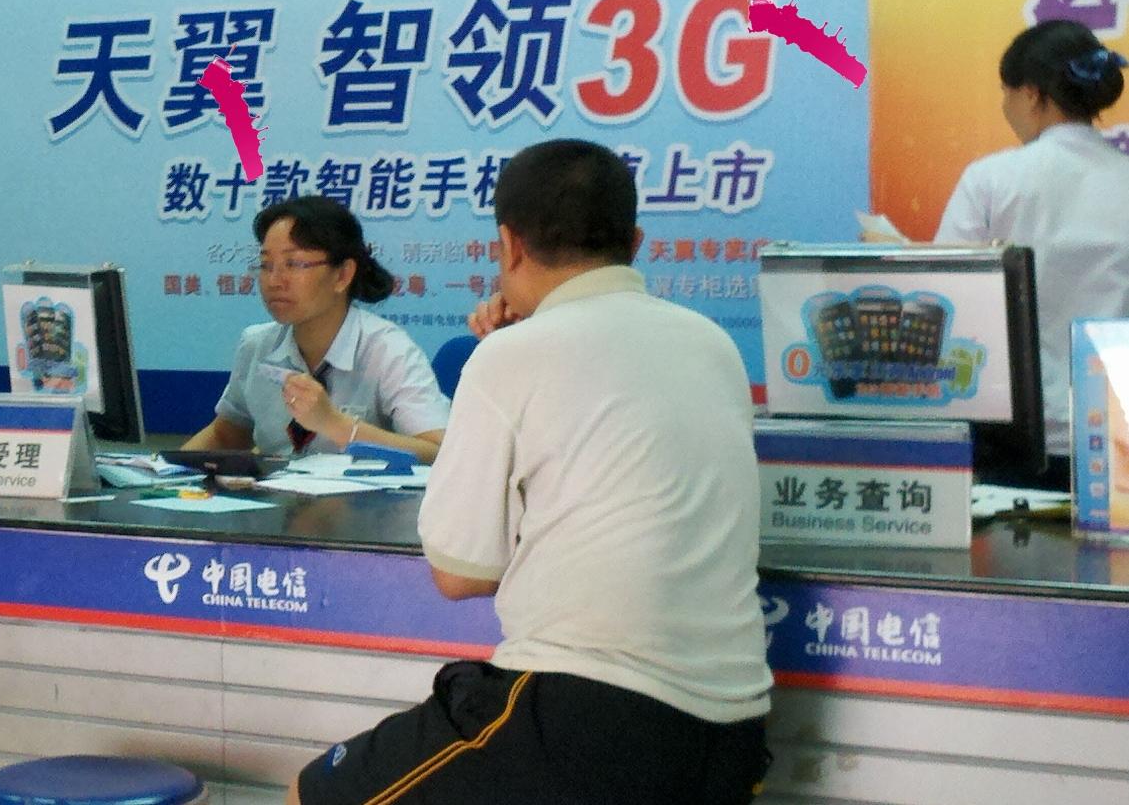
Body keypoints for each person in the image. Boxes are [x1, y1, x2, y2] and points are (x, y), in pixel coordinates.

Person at [293, 140, 770, 804]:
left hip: (587, 716)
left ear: (508, 244)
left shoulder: (511, 357)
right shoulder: (712, 344)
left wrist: (510, 350)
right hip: (733, 734)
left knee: (313, 794)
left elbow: (460, 574)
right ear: (634, 243)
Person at [933, 21, 1129, 458]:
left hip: (1011, 433)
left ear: (1032, 94)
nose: (1005, 106)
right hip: (1116, 439)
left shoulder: (990, 180)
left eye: (1007, 92)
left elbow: (945, 297)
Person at [183, 196, 450, 463]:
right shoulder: (256, 345)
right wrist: (164, 471)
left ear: (342, 275)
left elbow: (438, 452)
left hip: (361, 491)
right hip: (276, 490)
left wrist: (335, 424)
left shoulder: (388, 350)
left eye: (294, 264)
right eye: (266, 265)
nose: (274, 281)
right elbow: (226, 434)